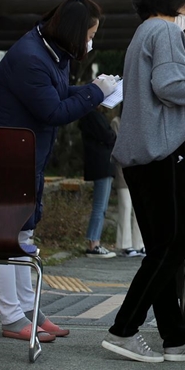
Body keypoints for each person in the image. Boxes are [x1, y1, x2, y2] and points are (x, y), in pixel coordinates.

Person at [102, 0, 185, 363]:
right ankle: (124, 329)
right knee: (170, 248)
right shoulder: (168, 32)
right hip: (161, 152)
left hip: (141, 153)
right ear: (175, 0)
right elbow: (171, 87)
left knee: (162, 247)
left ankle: (174, 337)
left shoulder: (143, 32)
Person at [0, 0, 118, 342]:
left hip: (26, 158)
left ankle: (30, 311)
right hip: (5, 159)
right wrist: (94, 95)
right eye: (91, 33)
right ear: (74, 32)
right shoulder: (31, 58)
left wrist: (93, 90)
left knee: (23, 236)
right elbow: (53, 111)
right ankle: (12, 317)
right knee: (2, 238)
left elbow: (55, 95)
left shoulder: (51, 53)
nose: (92, 41)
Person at [78, 106, 117, 258]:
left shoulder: (87, 116)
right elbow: (109, 136)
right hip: (103, 165)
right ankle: (94, 243)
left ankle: (94, 241)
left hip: (99, 165)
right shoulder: (93, 116)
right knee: (100, 206)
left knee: (100, 206)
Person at [110, 113, 145, 258]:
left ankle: (140, 244)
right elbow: (118, 147)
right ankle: (125, 245)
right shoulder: (116, 122)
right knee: (125, 206)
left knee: (139, 208)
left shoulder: (138, 120)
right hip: (123, 170)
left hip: (139, 169)